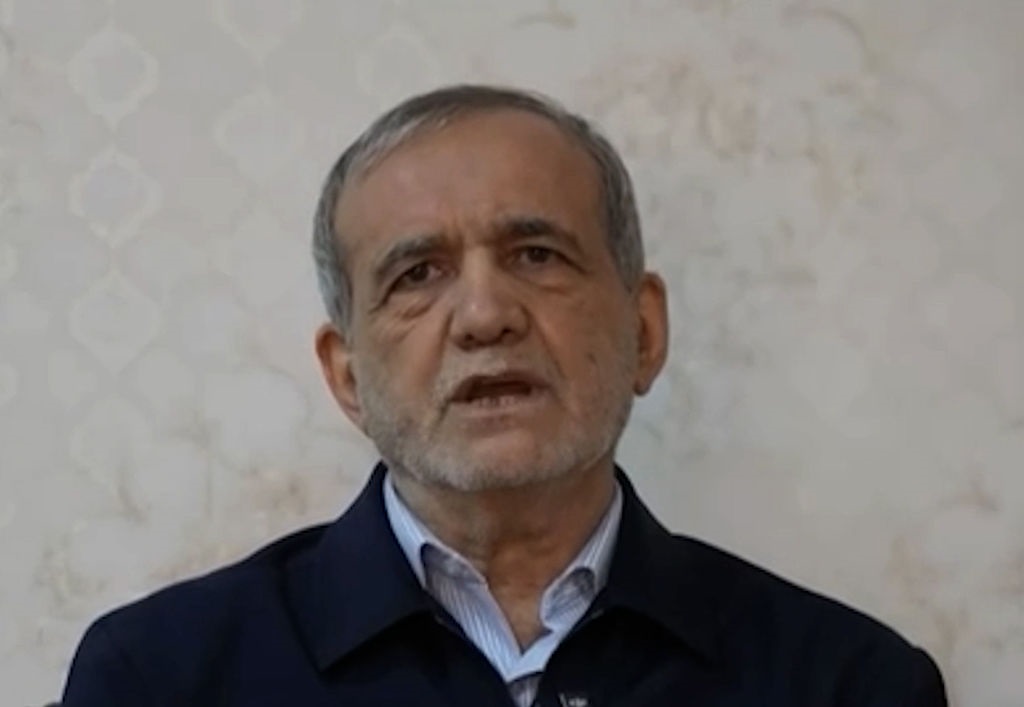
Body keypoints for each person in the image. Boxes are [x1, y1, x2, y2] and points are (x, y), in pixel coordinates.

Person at [61, 85, 947, 707]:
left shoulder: (851, 682)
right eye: (417, 273)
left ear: (644, 332)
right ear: (347, 377)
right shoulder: (159, 677)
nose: (485, 315)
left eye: (537, 255)